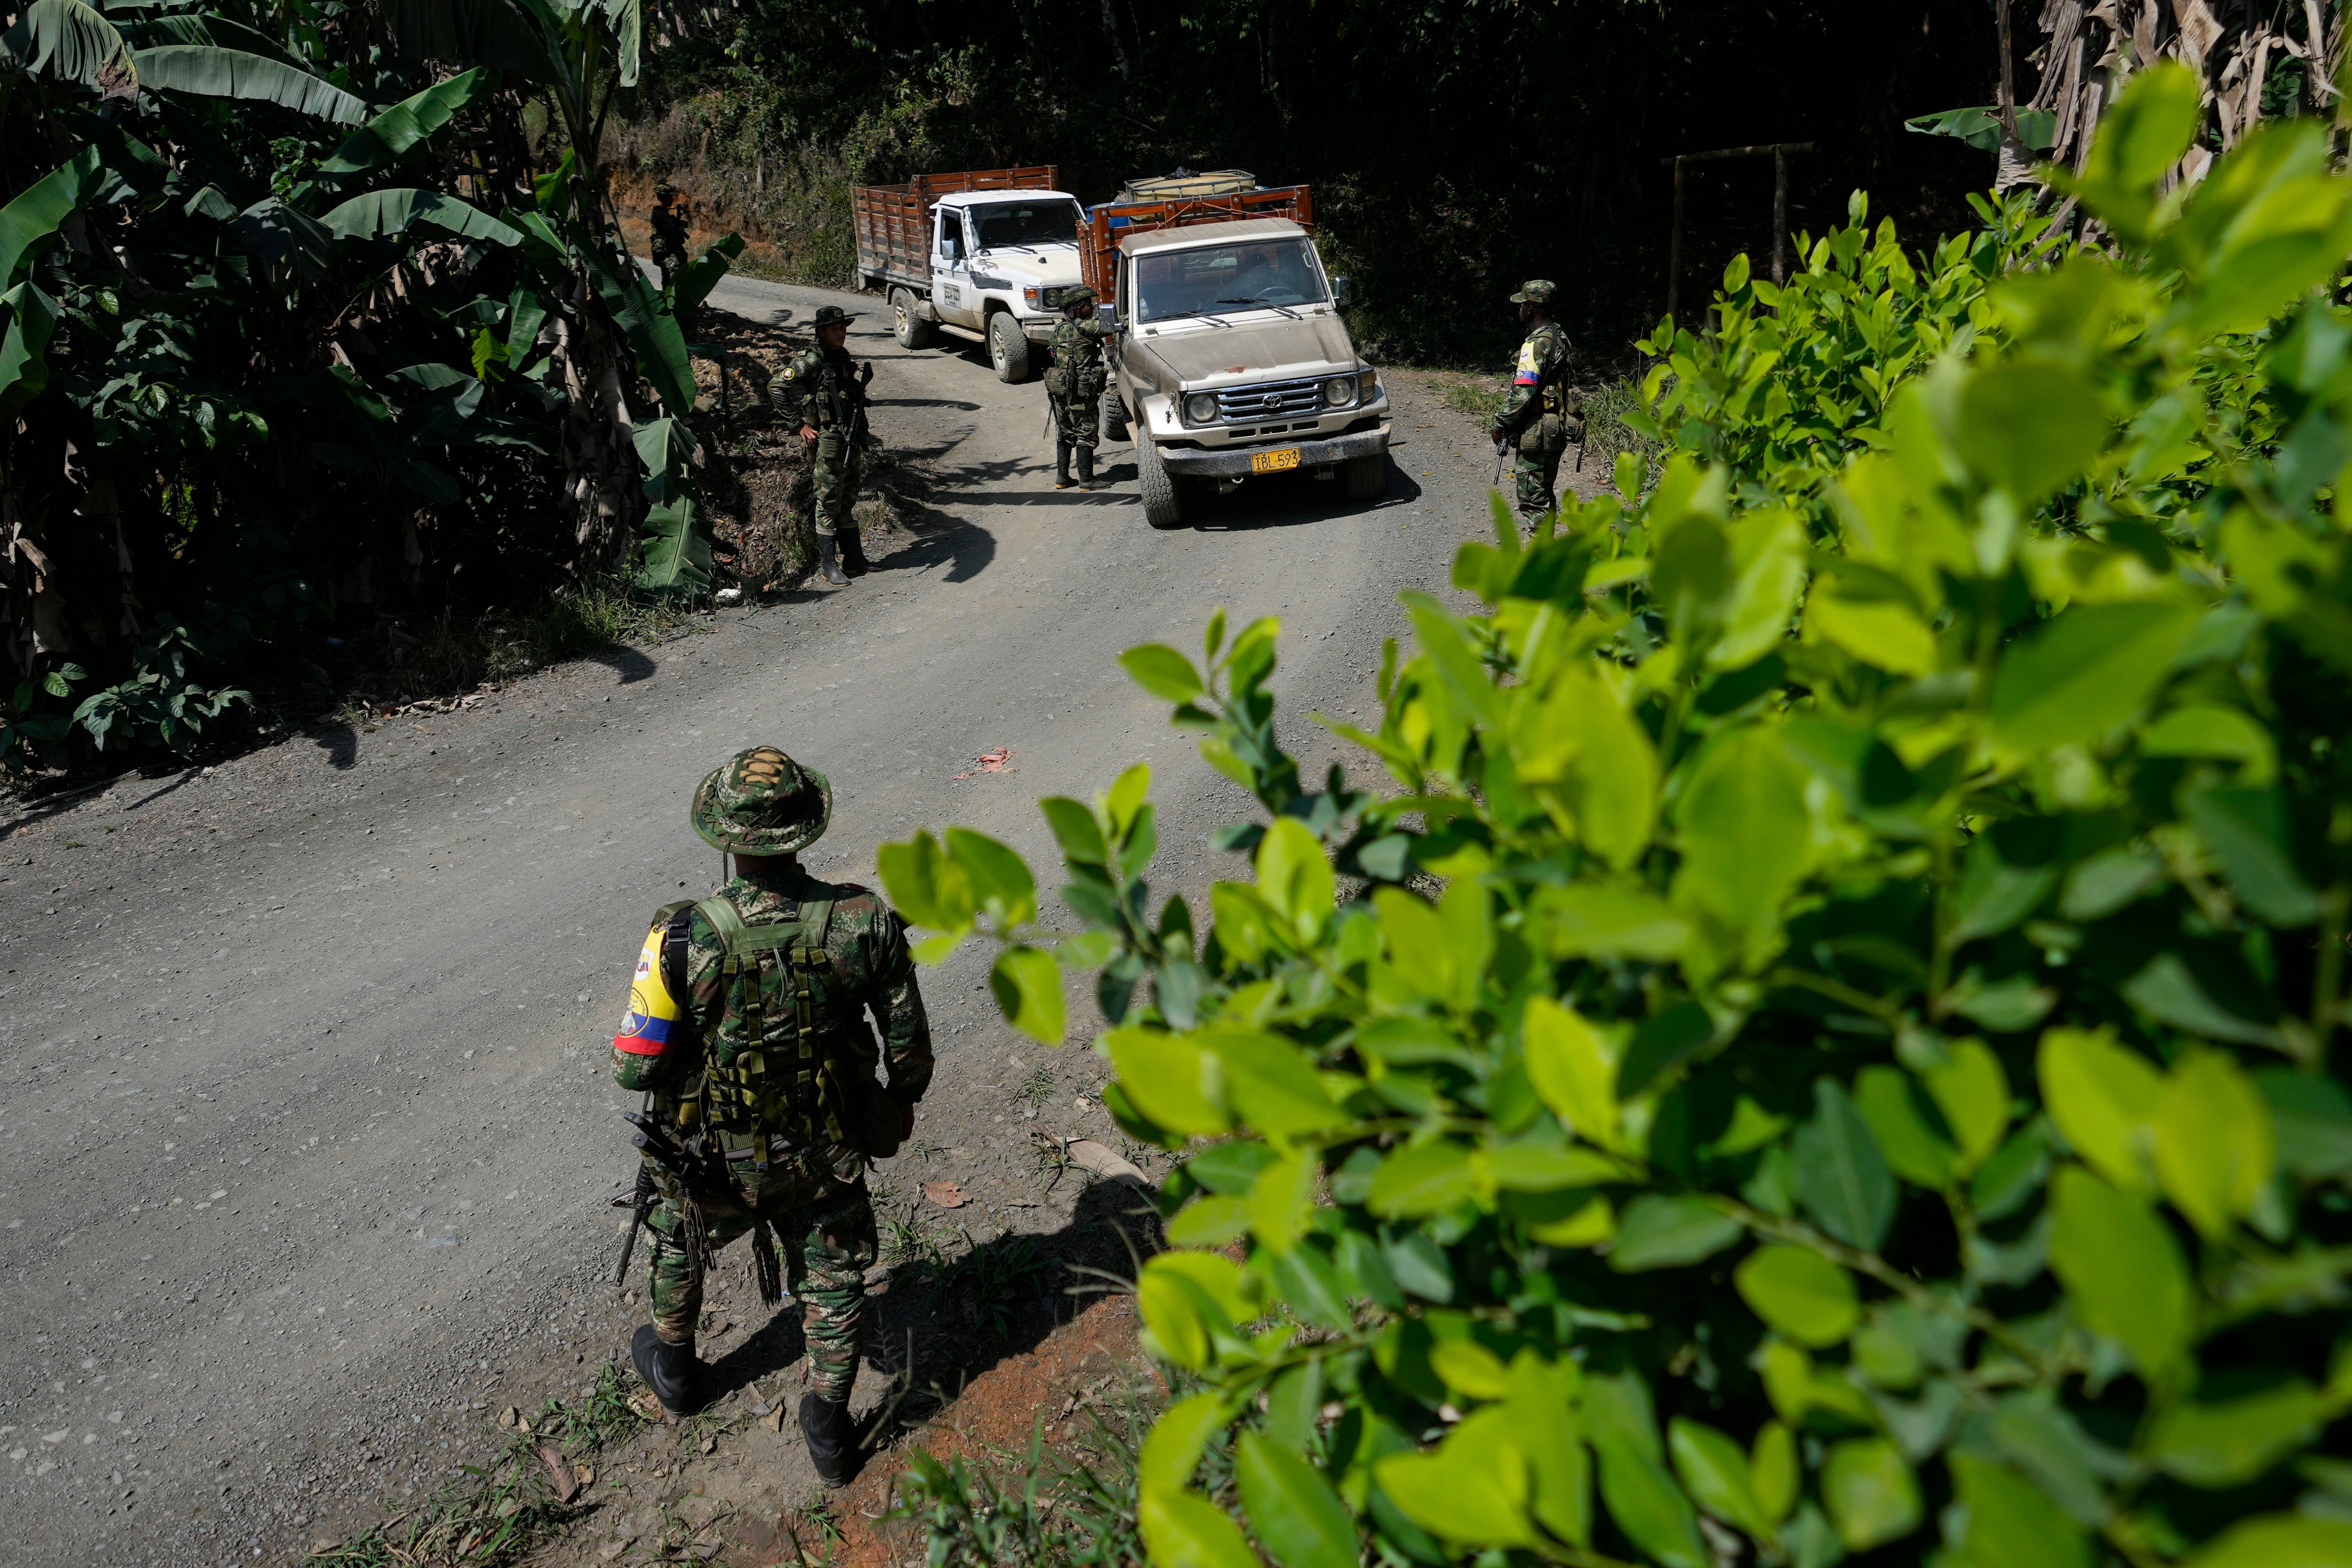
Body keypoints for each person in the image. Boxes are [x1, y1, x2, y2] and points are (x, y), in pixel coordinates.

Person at [609, 746, 932, 1487]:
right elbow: (909, 1047)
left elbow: (634, 1068)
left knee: (680, 1241)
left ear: (725, 839)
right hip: (825, 1149)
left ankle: (680, 1371)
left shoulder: (682, 936)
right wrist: (895, 1103)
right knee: (835, 1274)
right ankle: (828, 1427)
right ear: (804, 832)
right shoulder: (863, 918)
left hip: (713, 1160)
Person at [782, 305, 875, 586]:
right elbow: (777, 386)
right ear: (821, 332)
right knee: (828, 500)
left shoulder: (841, 357)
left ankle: (854, 559)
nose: (841, 333)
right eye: (834, 329)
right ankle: (828, 565)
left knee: (849, 495)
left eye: (843, 328)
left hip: (850, 434)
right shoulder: (810, 361)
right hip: (829, 439)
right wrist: (799, 426)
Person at [1489, 279, 1582, 524]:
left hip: (1537, 434)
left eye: (1522, 305)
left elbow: (1523, 394)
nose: (1520, 310)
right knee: (1545, 496)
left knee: (1534, 502)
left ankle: (1538, 558)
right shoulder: (1559, 335)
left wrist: (1500, 425)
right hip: (1555, 429)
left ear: (1530, 308)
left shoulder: (1535, 345)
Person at [1044, 286, 1113, 491]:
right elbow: (1117, 324)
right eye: (1088, 305)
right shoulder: (1088, 327)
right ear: (1078, 309)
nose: (1092, 308)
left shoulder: (1057, 330)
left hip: (1059, 389)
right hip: (1081, 391)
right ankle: (1086, 481)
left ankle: (1062, 478)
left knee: (1065, 432)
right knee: (1086, 431)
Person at [650, 184, 690, 292]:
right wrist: (680, 225)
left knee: (668, 280)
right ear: (663, 197)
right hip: (668, 253)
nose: (672, 200)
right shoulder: (660, 214)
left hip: (665, 252)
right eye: (670, 197)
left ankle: (669, 303)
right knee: (676, 280)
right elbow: (671, 232)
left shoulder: (661, 212)